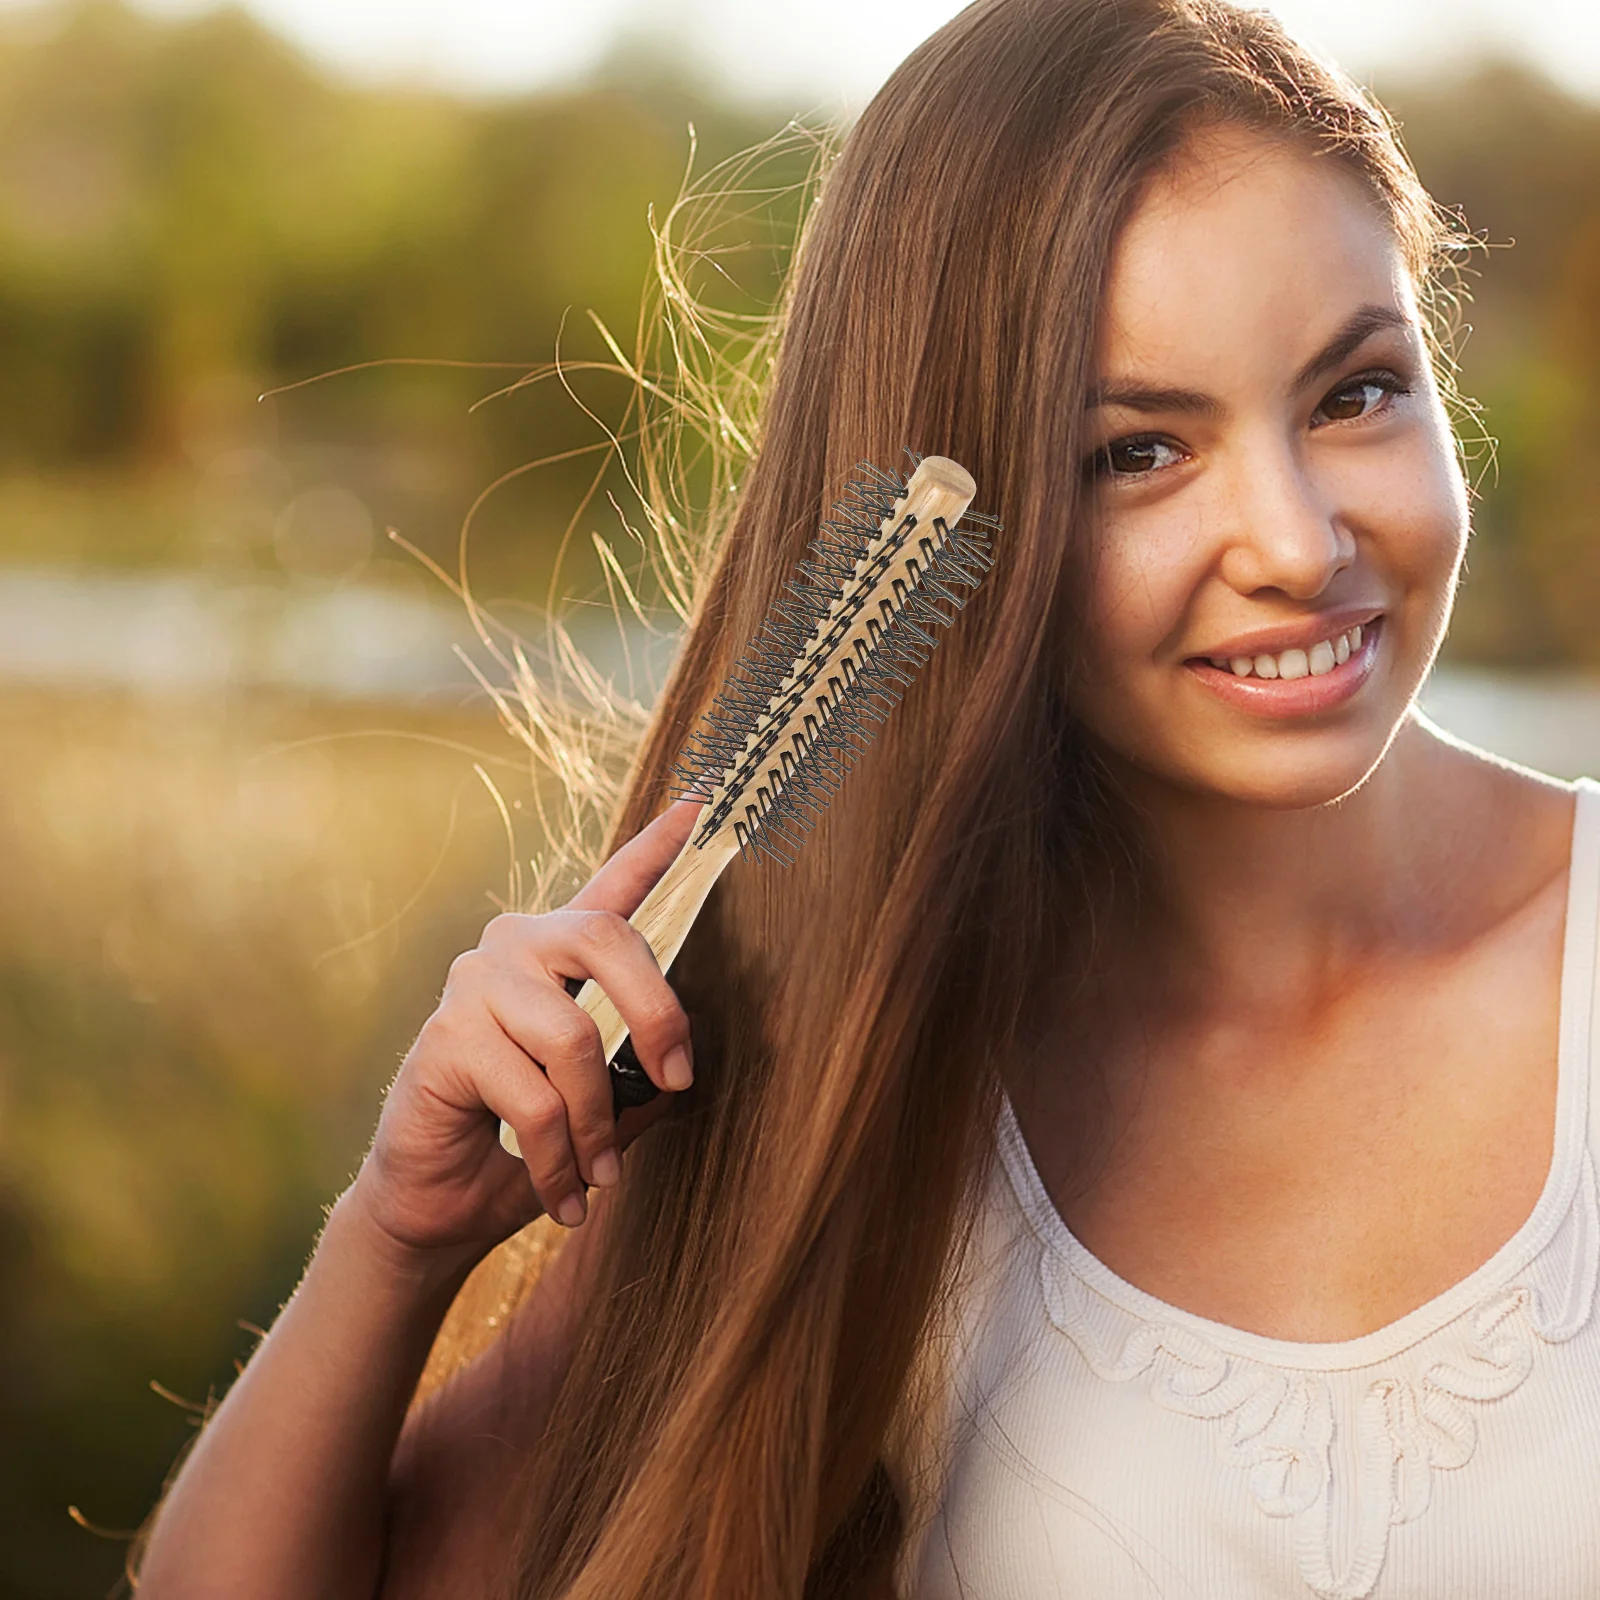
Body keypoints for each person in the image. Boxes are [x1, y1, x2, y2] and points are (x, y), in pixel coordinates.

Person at [133, 1, 1600, 1596]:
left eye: (1356, 393)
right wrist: (395, 1245)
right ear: (942, 522)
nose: (1299, 542)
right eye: (1133, 456)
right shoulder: (850, 1073)